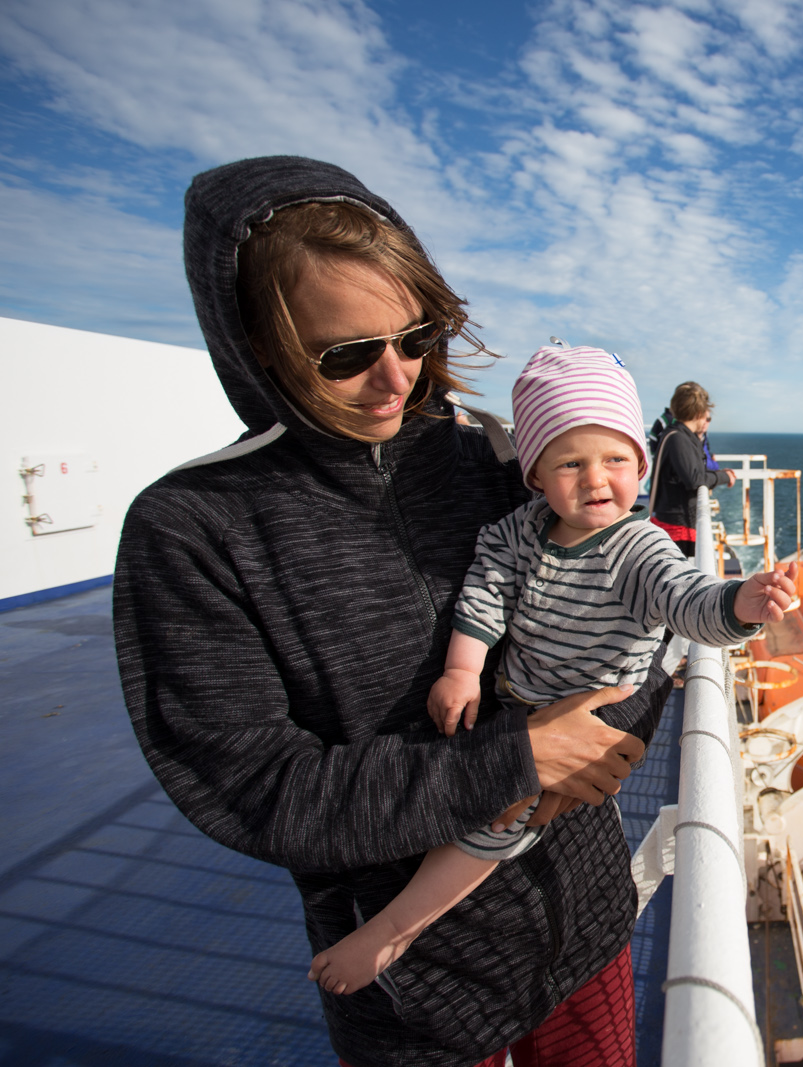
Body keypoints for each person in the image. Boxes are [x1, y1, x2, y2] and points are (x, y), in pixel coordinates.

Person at [114, 156, 663, 1067]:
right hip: (415, 993)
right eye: (344, 355)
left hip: (585, 924)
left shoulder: (492, 456)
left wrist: (601, 743)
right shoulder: (194, 527)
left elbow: (631, 610)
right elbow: (253, 786)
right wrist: (513, 761)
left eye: (417, 335)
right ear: (257, 346)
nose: (396, 376)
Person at [307, 346, 797, 995]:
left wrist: (740, 601)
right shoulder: (519, 530)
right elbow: (483, 592)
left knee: (491, 821)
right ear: (535, 473)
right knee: (461, 788)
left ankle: (393, 931)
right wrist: (461, 670)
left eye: (616, 459)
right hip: (517, 707)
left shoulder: (638, 546)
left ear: (641, 465)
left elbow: (686, 599)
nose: (597, 479)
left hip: (581, 725)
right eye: (572, 462)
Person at [649, 381, 734, 555]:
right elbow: (694, 479)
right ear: (698, 412)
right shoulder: (678, 439)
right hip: (676, 528)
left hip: (679, 524)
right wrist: (725, 477)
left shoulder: (682, 436)